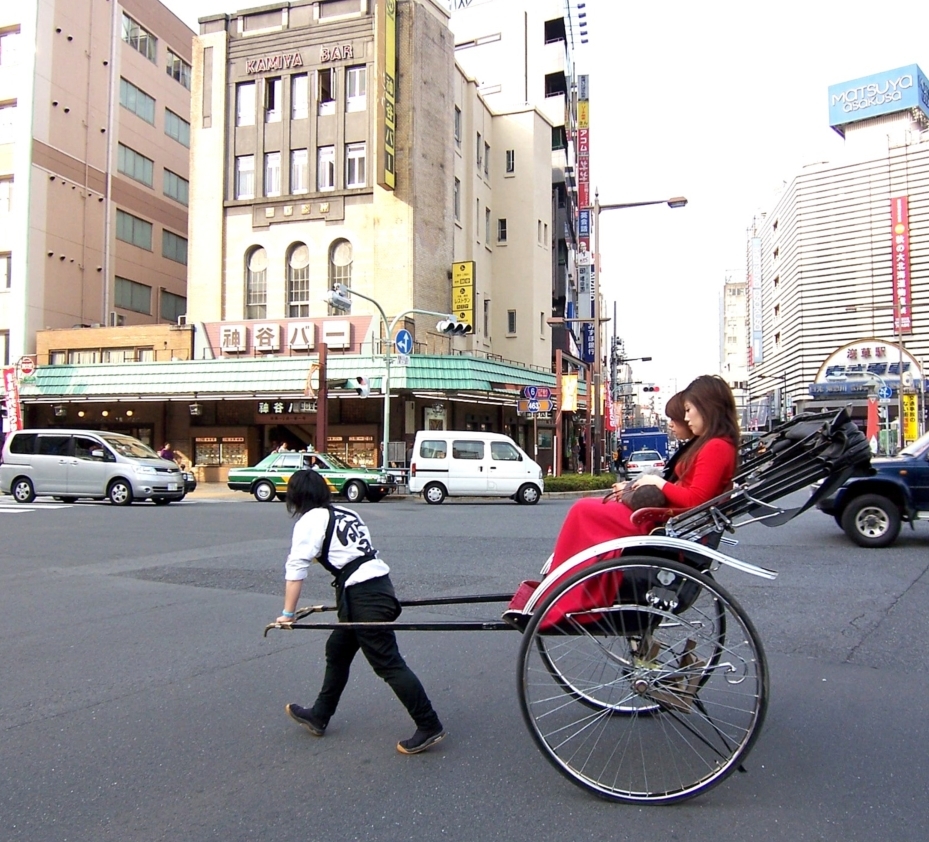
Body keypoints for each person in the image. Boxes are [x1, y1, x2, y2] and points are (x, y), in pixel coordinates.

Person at [277, 469, 446, 755]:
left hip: (362, 595)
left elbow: (296, 570)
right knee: (338, 649)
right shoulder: (346, 512)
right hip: (376, 586)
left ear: (296, 497)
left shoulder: (309, 520)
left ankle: (429, 724)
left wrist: (287, 613)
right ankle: (320, 714)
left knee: (387, 662)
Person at [549, 375, 740, 567]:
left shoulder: (716, 446)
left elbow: (694, 500)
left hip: (661, 520)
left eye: (689, 409)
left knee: (582, 509)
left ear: (708, 407)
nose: (686, 417)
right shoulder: (714, 444)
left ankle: (560, 584)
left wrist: (657, 482)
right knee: (585, 508)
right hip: (666, 517)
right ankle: (568, 581)